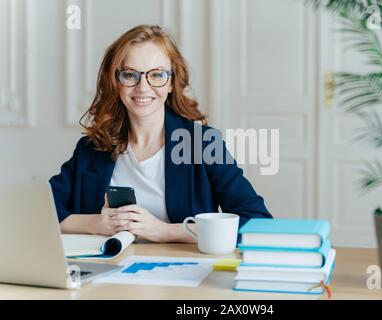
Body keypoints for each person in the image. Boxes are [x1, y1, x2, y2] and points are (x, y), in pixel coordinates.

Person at [49, 24, 272, 243]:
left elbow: (257, 222)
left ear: (172, 83)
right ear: (115, 82)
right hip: (104, 273)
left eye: (156, 75)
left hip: (183, 274)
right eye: (129, 75)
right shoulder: (93, 147)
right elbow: (43, 211)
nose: (143, 87)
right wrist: (96, 224)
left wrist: (164, 231)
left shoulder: (202, 144)